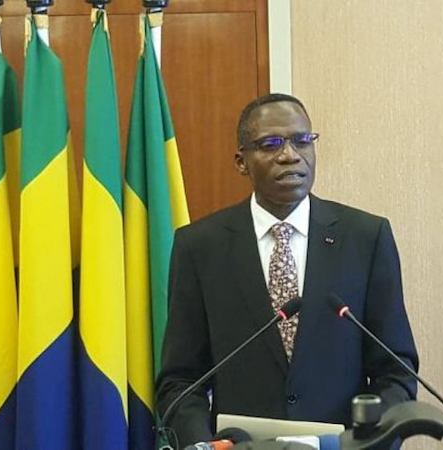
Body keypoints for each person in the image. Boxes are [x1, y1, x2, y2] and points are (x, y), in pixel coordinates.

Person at [156, 93, 419, 447]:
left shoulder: (365, 238)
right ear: (241, 162)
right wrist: (203, 445)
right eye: (271, 144)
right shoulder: (200, 246)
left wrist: (368, 443)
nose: (290, 155)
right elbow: (180, 380)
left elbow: (396, 371)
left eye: (302, 140)